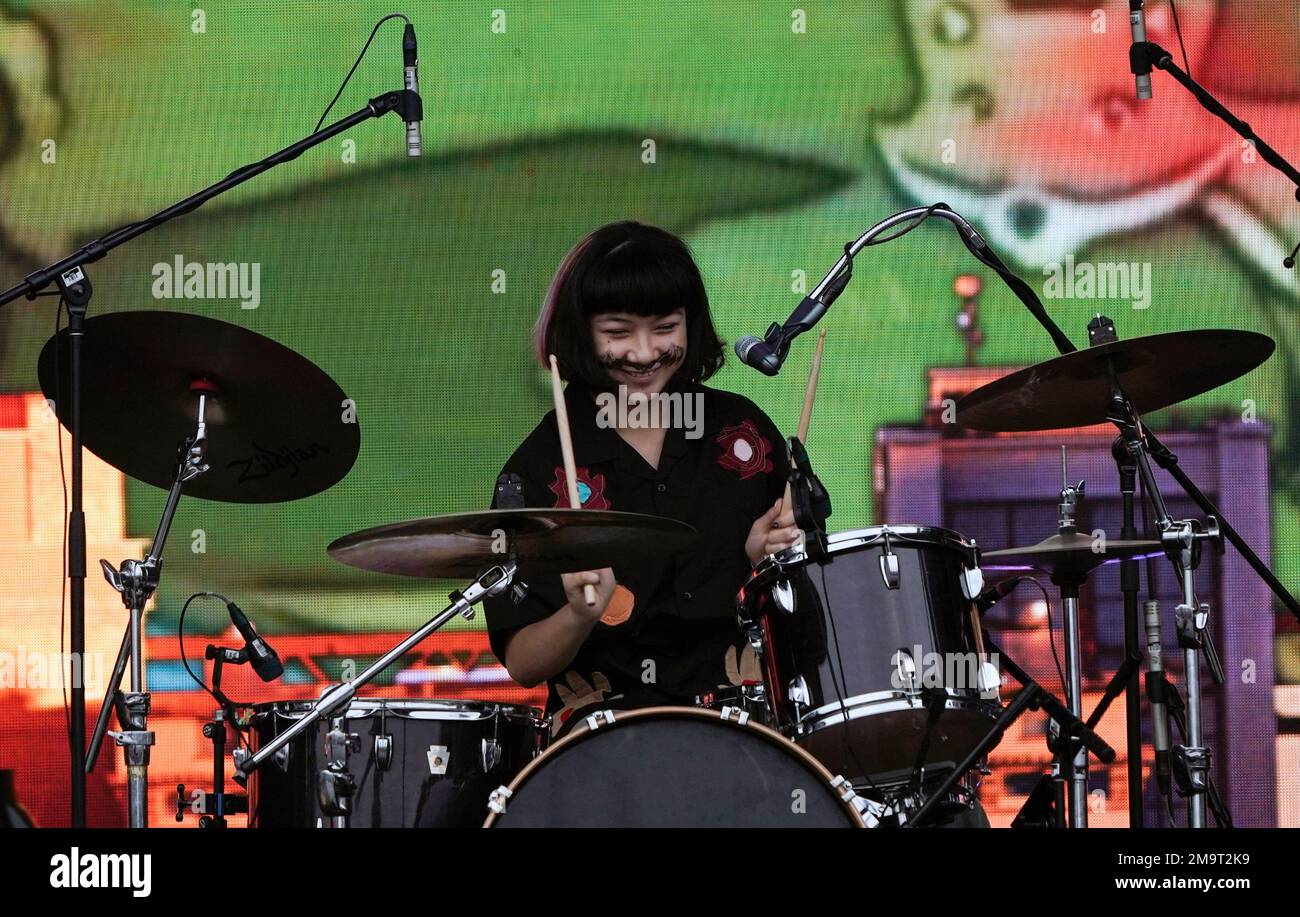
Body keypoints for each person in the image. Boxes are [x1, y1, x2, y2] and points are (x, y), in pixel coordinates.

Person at [482, 220, 798, 738]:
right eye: (618, 332)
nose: (646, 352)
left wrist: (769, 562)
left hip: (747, 730)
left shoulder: (745, 437)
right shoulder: (537, 471)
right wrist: (579, 615)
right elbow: (523, 664)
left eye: (665, 327)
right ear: (581, 332)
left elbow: (809, 608)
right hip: (600, 748)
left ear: (691, 323)